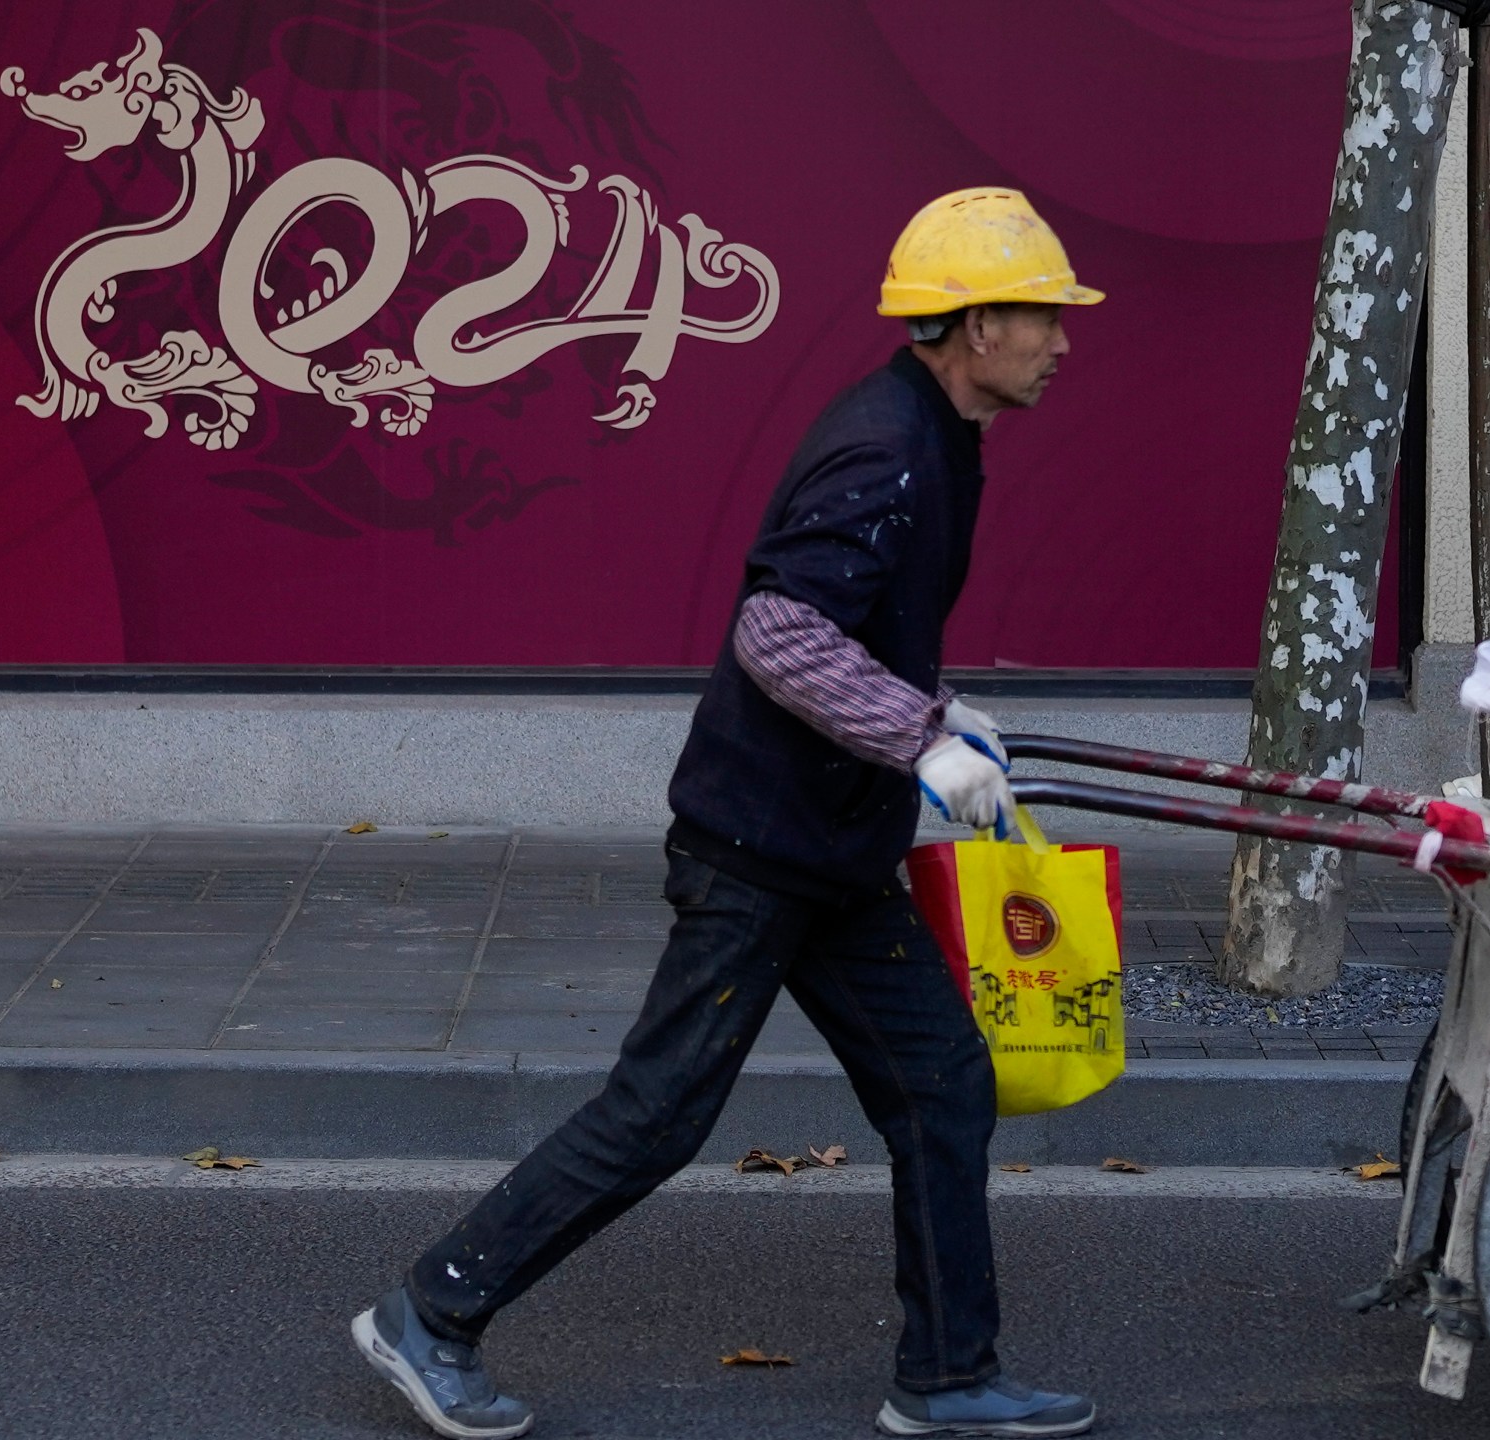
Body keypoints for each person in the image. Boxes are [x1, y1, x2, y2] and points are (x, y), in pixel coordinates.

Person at [349, 187, 1103, 1440]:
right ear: (975, 324)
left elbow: (857, 627)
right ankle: (431, 1313)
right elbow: (780, 631)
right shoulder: (890, 445)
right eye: (1043, 316)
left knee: (942, 1089)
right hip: (760, 852)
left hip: (830, 845)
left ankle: (952, 1376)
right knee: (656, 1116)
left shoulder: (939, 436)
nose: (1062, 340)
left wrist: (945, 712)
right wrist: (918, 738)